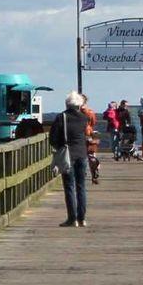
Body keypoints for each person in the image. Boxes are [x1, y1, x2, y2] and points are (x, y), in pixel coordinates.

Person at [48, 92, 96, 228]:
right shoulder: (83, 118)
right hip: (82, 154)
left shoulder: (61, 117)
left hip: (68, 155)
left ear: (67, 104)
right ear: (79, 104)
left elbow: (52, 138)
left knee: (69, 186)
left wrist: (60, 146)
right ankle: (82, 219)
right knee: (81, 186)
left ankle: (72, 219)